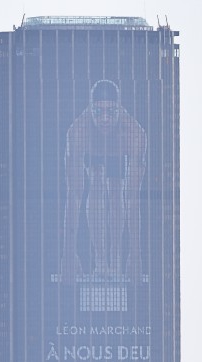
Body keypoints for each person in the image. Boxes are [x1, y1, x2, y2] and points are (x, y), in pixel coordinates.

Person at [61, 80, 147, 283]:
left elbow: (133, 197)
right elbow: (74, 195)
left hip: (119, 145)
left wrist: (135, 256)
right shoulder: (78, 132)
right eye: (99, 113)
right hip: (94, 147)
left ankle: (115, 256)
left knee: (118, 189)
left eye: (111, 112)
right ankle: (101, 259)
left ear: (119, 110)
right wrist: (68, 254)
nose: (106, 119)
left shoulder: (134, 135)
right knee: (97, 183)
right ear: (91, 110)